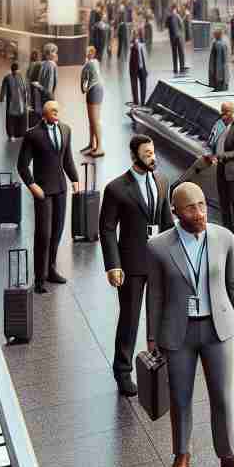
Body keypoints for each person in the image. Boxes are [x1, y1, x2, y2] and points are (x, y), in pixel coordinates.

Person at [146, 181, 234, 467]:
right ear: (176, 212)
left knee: (221, 396)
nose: (200, 212)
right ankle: (182, 455)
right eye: (191, 207)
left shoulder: (224, 238)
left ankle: (226, 454)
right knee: (180, 398)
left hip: (217, 329)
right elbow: (154, 295)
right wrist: (151, 337)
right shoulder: (158, 246)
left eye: (203, 205)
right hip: (177, 332)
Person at [100, 136, 173, 396]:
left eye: (153, 152)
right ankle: (122, 371)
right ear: (134, 156)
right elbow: (107, 229)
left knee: (159, 315)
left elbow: (167, 224)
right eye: (147, 153)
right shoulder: (116, 188)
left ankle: (159, 365)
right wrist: (113, 265)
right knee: (130, 317)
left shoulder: (162, 182)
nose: (152, 157)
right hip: (131, 263)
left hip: (158, 260)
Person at [16, 101, 82, 293]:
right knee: (43, 234)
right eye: (54, 111)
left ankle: (51, 269)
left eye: (58, 111)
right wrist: (32, 185)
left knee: (57, 231)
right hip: (43, 190)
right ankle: (39, 278)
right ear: (44, 114)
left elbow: (67, 159)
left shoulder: (66, 130)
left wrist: (75, 179)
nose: (57, 113)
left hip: (60, 188)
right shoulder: (32, 135)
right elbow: (22, 165)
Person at [198, 101, 234, 244]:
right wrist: (213, 154)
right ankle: (226, 225)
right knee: (223, 199)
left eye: (226, 112)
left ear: (233, 112)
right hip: (221, 168)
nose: (223, 115)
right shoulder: (220, 126)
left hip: (233, 170)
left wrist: (226, 155)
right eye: (222, 112)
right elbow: (215, 143)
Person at [79, 47, 106, 158]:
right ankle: (92, 144)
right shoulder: (96, 62)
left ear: (90, 53)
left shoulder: (88, 64)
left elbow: (83, 86)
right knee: (93, 120)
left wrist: (84, 88)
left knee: (94, 120)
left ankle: (99, 147)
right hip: (99, 88)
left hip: (93, 90)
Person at [127, 24, 150, 106]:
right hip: (134, 67)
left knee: (143, 84)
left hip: (142, 67)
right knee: (135, 85)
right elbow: (131, 47)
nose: (141, 33)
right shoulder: (133, 44)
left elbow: (145, 56)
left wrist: (147, 69)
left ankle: (143, 102)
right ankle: (136, 102)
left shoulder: (142, 44)